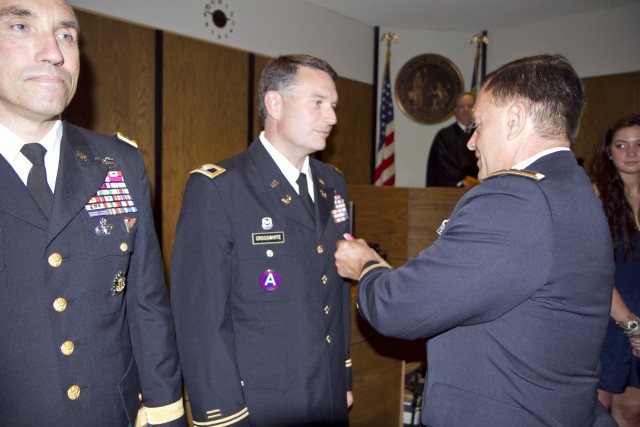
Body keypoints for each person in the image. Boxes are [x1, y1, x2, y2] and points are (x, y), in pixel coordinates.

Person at [335, 54, 617, 426]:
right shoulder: (576, 187)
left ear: (514, 119)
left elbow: (399, 308)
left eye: (479, 125)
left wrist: (366, 264)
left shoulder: (515, 199)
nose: (471, 143)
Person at [0, 0, 185, 425]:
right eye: (21, 27)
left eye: (67, 35)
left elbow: (147, 305)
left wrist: (165, 414)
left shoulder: (119, 163)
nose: (54, 52)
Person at [171, 54, 353, 427]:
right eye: (318, 103)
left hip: (328, 396)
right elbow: (201, 319)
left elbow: (333, 292)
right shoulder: (220, 188)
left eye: (333, 105)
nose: (332, 117)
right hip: (259, 405)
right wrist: (223, 415)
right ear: (274, 103)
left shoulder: (332, 183)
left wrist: (343, 377)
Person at [593, 114, 640, 426]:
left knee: (631, 412)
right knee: (593, 413)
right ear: (609, 152)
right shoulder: (594, 196)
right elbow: (592, 272)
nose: (631, 152)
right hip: (605, 319)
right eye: (621, 145)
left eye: (639, 145)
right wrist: (632, 326)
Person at [426, 91, 479, 188]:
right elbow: (443, 165)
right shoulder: (444, 136)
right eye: (462, 106)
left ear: (475, 110)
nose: (466, 109)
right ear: (455, 110)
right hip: (450, 191)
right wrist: (463, 179)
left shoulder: (482, 134)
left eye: (470, 106)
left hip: (480, 190)